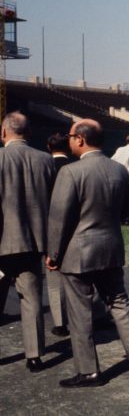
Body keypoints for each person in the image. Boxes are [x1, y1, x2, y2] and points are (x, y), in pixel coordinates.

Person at [46, 119, 129, 388]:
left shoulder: (71, 173)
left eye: (71, 136)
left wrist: (53, 252)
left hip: (78, 253)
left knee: (80, 312)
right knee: (120, 302)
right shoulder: (119, 171)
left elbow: (59, 219)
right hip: (110, 247)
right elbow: (126, 211)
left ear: (81, 139)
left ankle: (89, 371)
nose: (69, 139)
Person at [0, 112, 53, 372]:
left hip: (2, 243)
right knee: (31, 300)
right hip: (33, 243)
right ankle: (34, 355)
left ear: (3, 133)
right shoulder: (45, 160)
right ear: (28, 133)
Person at [45, 132, 71, 337]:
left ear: (48, 147)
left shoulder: (44, 168)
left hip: (51, 226)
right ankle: (97, 314)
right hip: (75, 228)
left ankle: (60, 321)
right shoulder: (75, 167)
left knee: (54, 279)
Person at [111, 134, 129, 225]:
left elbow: (112, 159)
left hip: (116, 175)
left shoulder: (119, 149)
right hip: (126, 177)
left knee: (118, 198)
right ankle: (126, 218)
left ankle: (117, 217)